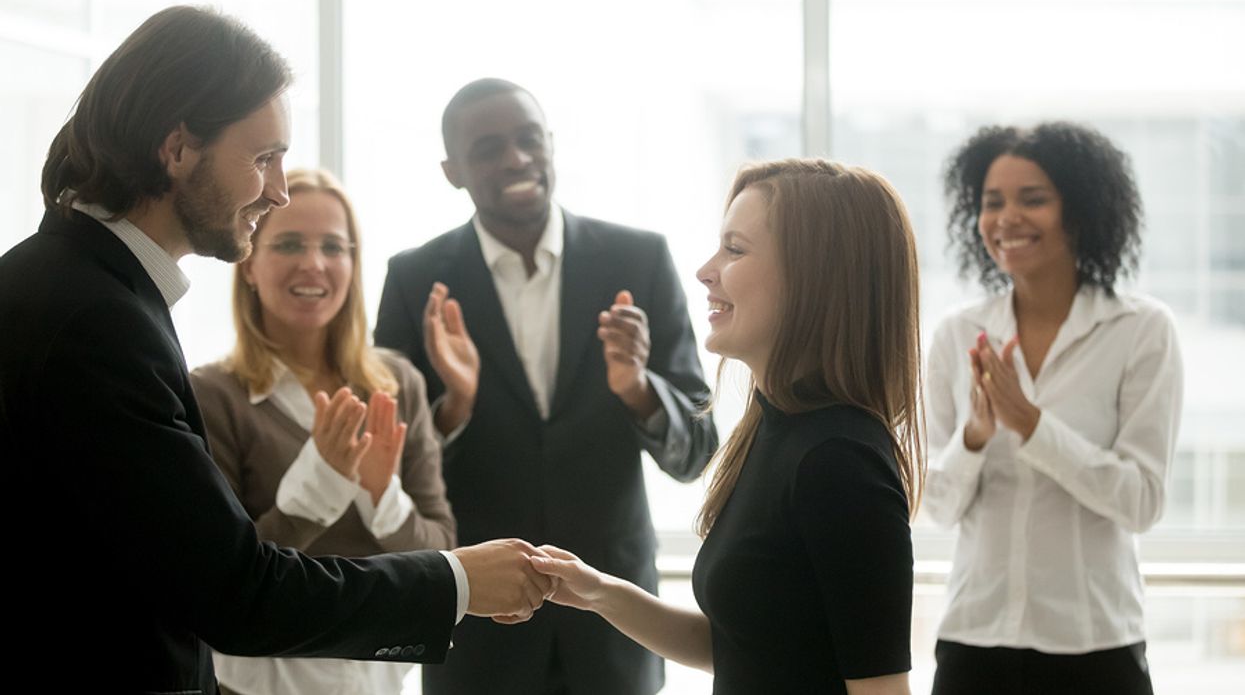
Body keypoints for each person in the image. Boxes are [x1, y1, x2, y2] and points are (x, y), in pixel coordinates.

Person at [0, 7, 551, 693]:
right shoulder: (94, 321)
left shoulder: (82, 288)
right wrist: (459, 580)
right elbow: (235, 593)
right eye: (263, 157)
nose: (279, 189)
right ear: (176, 149)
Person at [374, 78, 720, 695]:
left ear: (552, 145)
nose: (515, 158)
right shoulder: (414, 278)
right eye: (488, 148)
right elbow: (389, 465)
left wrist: (638, 388)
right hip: (477, 633)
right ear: (452, 170)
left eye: (529, 139)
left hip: (616, 628)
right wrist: (454, 405)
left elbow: (697, 450)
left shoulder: (637, 260)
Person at [526, 158, 923, 695]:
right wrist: (597, 591)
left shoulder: (840, 462)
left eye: (734, 249)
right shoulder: (777, 429)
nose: (706, 270)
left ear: (813, 276)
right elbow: (740, 649)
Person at [923, 122, 1183, 695]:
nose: (1007, 218)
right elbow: (937, 507)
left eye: (1032, 199)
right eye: (992, 203)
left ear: (1082, 211)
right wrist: (974, 435)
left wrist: (1031, 426)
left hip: (1095, 645)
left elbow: (1141, 501)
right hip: (974, 641)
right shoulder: (956, 334)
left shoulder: (1141, 331)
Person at [190, 168, 458, 695]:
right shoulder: (212, 394)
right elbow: (220, 582)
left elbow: (441, 546)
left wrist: (383, 494)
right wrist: (319, 483)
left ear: (353, 265)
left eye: (333, 247)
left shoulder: (398, 382)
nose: (313, 264)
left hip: (378, 679)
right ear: (248, 262)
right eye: (289, 243)